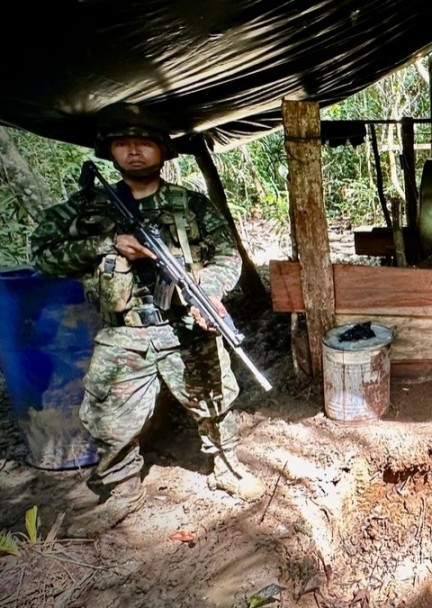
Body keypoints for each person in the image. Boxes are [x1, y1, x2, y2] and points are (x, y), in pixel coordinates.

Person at [30, 102, 265, 536]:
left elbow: (227, 256)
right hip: (124, 331)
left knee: (214, 398)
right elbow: (42, 254)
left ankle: (227, 464)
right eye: (124, 144)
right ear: (110, 152)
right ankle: (121, 487)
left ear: (161, 151)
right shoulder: (87, 208)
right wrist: (107, 244)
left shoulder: (188, 205)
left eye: (144, 144)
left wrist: (208, 292)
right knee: (106, 414)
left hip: (185, 326)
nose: (134, 152)